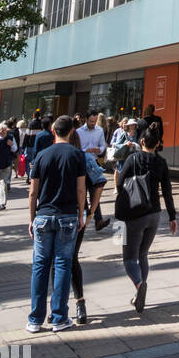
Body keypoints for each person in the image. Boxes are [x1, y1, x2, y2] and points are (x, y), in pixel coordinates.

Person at [27, 115, 87, 334]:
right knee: (62, 264)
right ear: (71, 131)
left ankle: (35, 319)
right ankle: (59, 318)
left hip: (43, 215)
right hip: (68, 215)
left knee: (40, 266)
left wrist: (32, 219)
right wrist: (81, 214)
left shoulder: (42, 155)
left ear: (53, 130)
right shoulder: (77, 155)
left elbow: (33, 192)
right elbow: (81, 189)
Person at [115, 124, 177, 312]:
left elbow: (119, 182)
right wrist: (172, 217)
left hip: (133, 215)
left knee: (128, 258)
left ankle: (140, 286)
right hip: (154, 215)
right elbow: (167, 192)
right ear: (158, 143)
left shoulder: (133, 159)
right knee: (143, 254)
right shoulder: (162, 163)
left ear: (142, 141)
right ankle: (138, 294)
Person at [67, 129, 108, 323]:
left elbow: (99, 182)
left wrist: (91, 212)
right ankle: (78, 304)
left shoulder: (76, 157)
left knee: (60, 261)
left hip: (69, 215)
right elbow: (100, 181)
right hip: (78, 216)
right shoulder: (83, 157)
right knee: (71, 259)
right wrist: (91, 211)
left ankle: (63, 306)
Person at [76, 111, 108, 227]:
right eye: (91, 121)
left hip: (94, 163)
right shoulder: (78, 132)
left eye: (94, 122)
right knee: (82, 191)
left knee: (95, 191)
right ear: (86, 119)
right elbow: (76, 148)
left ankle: (97, 219)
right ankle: (84, 218)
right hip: (82, 163)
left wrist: (98, 149)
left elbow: (103, 145)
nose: (93, 123)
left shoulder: (99, 130)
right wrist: (86, 150)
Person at [0, 122, 17, 210]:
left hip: (6, 166)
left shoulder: (11, 138)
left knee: (3, 184)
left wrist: (11, 144)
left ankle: (2, 203)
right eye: (1, 130)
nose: (3, 131)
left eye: (4, 130)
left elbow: (15, 149)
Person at [22, 116, 43, 182]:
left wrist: (23, 146)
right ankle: (32, 176)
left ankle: (29, 175)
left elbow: (26, 136)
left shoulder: (30, 124)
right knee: (35, 161)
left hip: (30, 145)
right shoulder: (41, 125)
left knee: (28, 161)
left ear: (33, 116)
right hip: (38, 146)